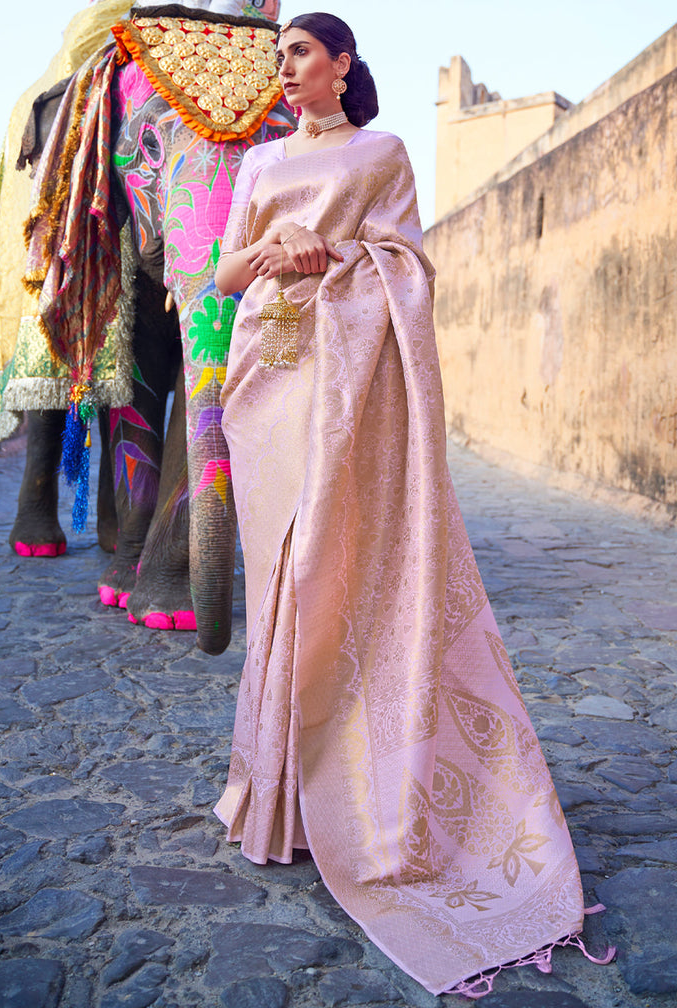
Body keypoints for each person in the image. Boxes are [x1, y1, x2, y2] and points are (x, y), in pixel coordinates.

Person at [213, 12, 613, 998]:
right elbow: (221, 275)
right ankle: (279, 803)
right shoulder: (259, 165)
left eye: (301, 52)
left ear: (342, 62)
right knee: (277, 583)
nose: (288, 69)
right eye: (281, 58)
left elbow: (410, 270)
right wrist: (273, 258)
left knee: (330, 571)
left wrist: (336, 257)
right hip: (274, 382)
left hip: (350, 388)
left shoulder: (383, 153)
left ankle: (359, 799)